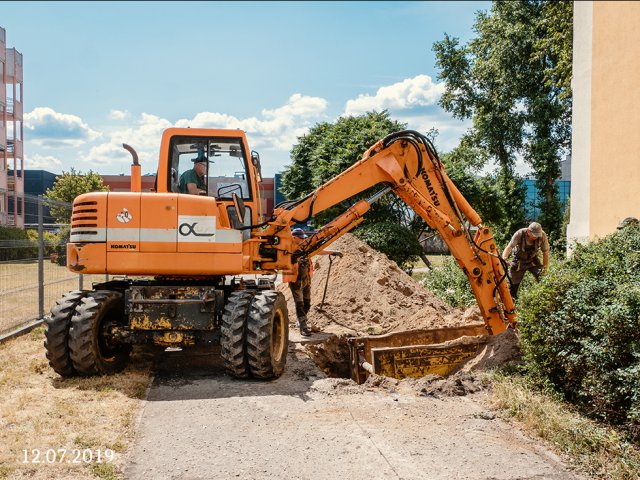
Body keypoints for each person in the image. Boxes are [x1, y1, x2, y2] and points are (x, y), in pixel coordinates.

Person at [284, 228, 343, 337]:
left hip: (306, 280)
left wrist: (333, 252)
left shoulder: (305, 248)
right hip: (295, 280)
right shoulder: (288, 248)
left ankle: (300, 321)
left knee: (307, 303)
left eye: (303, 238)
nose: (303, 240)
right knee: (299, 304)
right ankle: (303, 327)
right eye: (301, 238)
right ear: (294, 238)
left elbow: (318, 251)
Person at [502, 222, 550, 300]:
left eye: (538, 235)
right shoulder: (519, 234)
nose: (536, 237)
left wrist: (545, 269)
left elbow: (545, 253)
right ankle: (512, 305)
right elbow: (509, 247)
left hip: (533, 260)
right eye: (534, 235)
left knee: (544, 279)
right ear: (528, 231)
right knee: (513, 285)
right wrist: (504, 258)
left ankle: (545, 300)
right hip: (519, 261)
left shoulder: (542, 235)